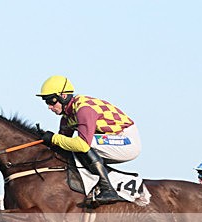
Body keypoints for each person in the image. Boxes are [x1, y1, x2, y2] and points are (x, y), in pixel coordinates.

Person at [36, 75, 141, 205]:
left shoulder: (84, 109)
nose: (49, 107)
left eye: (51, 101)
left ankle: (108, 190)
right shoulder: (67, 117)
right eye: (46, 102)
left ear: (63, 96)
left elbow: (82, 144)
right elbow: (62, 144)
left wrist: (54, 138)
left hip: (126, 140)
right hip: (111, 140)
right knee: (71, 147)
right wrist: (47, 141)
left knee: (82, 144)